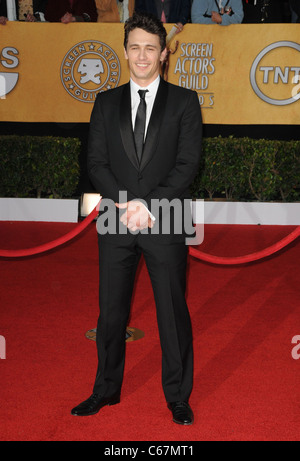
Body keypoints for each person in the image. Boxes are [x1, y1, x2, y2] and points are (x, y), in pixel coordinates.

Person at [71, 11, 202, 425]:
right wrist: (129, 202)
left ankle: (177, 396)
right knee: (110, 313)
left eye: (150, 48)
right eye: (134, 48)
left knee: (171, 311)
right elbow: (96, 163)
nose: (142, 56)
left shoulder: (184, 101)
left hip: (167, 216)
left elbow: (187, 164)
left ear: (164, 53)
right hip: (116, 217)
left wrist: (149, 204)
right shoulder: (105, 102)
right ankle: (105, 390)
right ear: (125, 52)